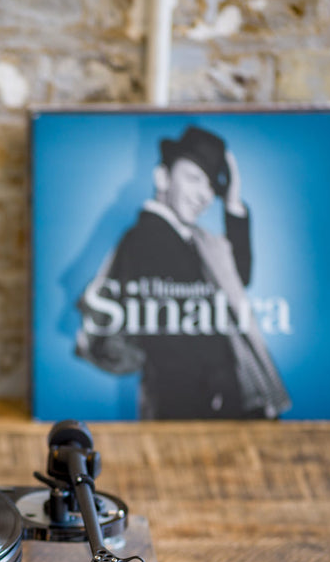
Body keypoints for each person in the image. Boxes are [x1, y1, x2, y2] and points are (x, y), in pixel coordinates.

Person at [74, 125, 290, 419]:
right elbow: (177, 347)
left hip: (210, 404)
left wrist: (232, 203)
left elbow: (238, 277)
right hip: (199, 408)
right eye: (194, 178)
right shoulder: (151, 237)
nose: (205, 195)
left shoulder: (192, 240)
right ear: (162, 177)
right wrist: (221, 399)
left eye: (212, 186)